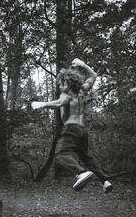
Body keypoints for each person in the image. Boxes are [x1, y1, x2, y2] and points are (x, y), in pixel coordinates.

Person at [31, 58, 113, 193]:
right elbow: (93, 76)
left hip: (71, 128)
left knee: (60, 154)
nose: (59, 86)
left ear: (69, 83)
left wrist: (43, 104)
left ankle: (81, 173)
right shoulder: (82, 90)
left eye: (61, 83)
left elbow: (58, 103)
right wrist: (83, 65)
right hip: (82, 131)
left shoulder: (67, 94)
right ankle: (105, 181)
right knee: (86, 156)